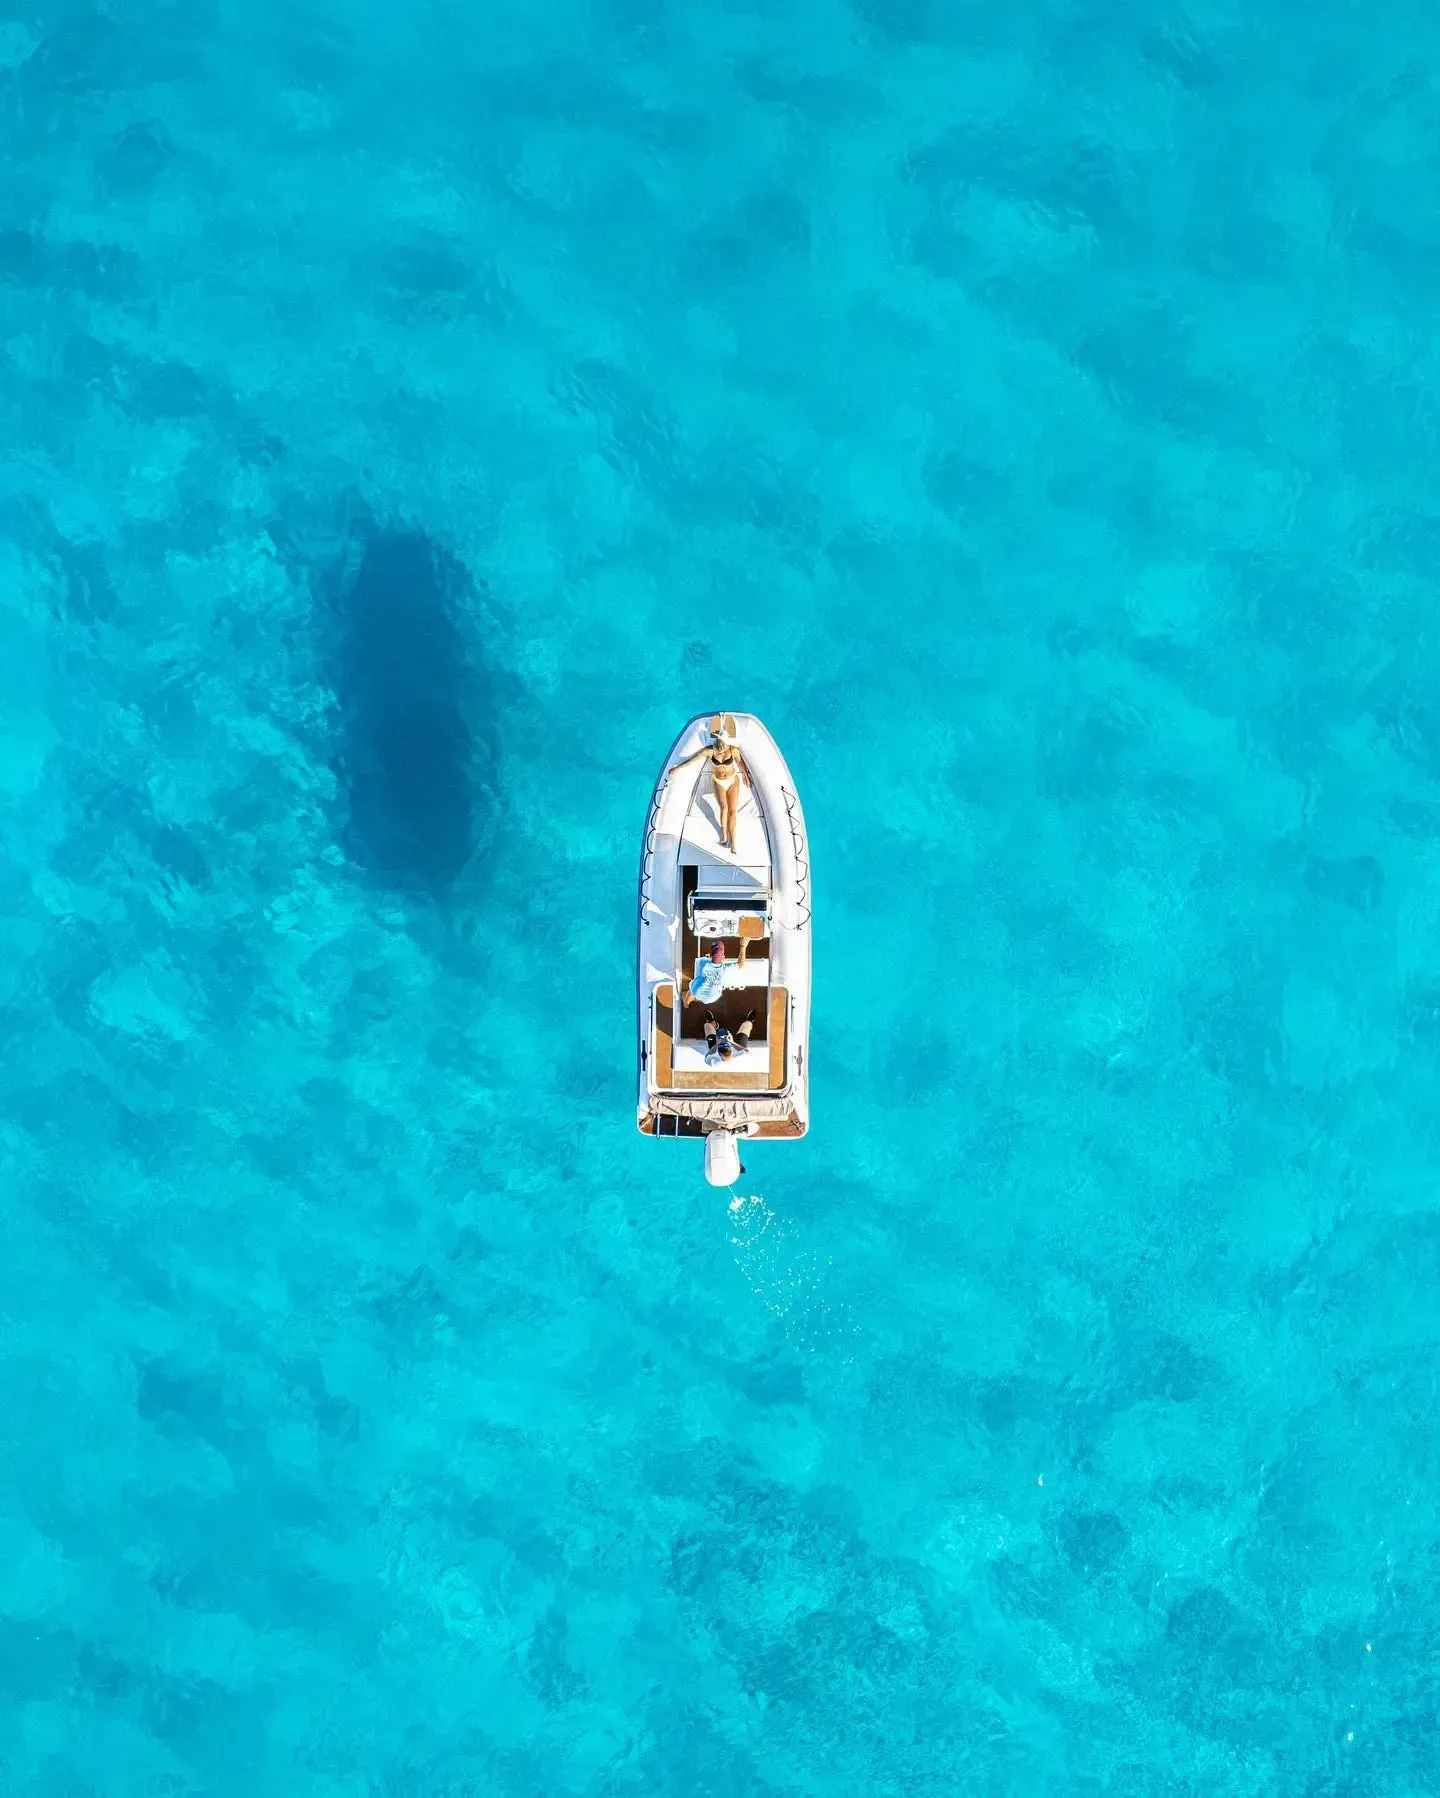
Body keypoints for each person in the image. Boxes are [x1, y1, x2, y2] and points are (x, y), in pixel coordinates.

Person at [666, 713, 750, 850]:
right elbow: (692, 760)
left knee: (732, 812)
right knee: (724, 808)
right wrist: (678, 768)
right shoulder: (710, 751)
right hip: (719, 782)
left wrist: (745, 775)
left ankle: (734, 842)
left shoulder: (733, 750)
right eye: (718, 750)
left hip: (732, 781)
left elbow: (740, 763)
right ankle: (724, 835)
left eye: (722, 749)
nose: (720, 752)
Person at [686, 936, 751, 1007]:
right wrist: (743, 946)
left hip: (698, 994)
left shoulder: (703, 962)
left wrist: (743, 946)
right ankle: (690, 1000)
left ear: (711, 955)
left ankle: (687, 1002)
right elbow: (740, 964)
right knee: (698, 985)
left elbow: (740, 964)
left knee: (695, 986)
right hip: (713, 997)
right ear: (723, 957)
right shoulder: (726, 969)